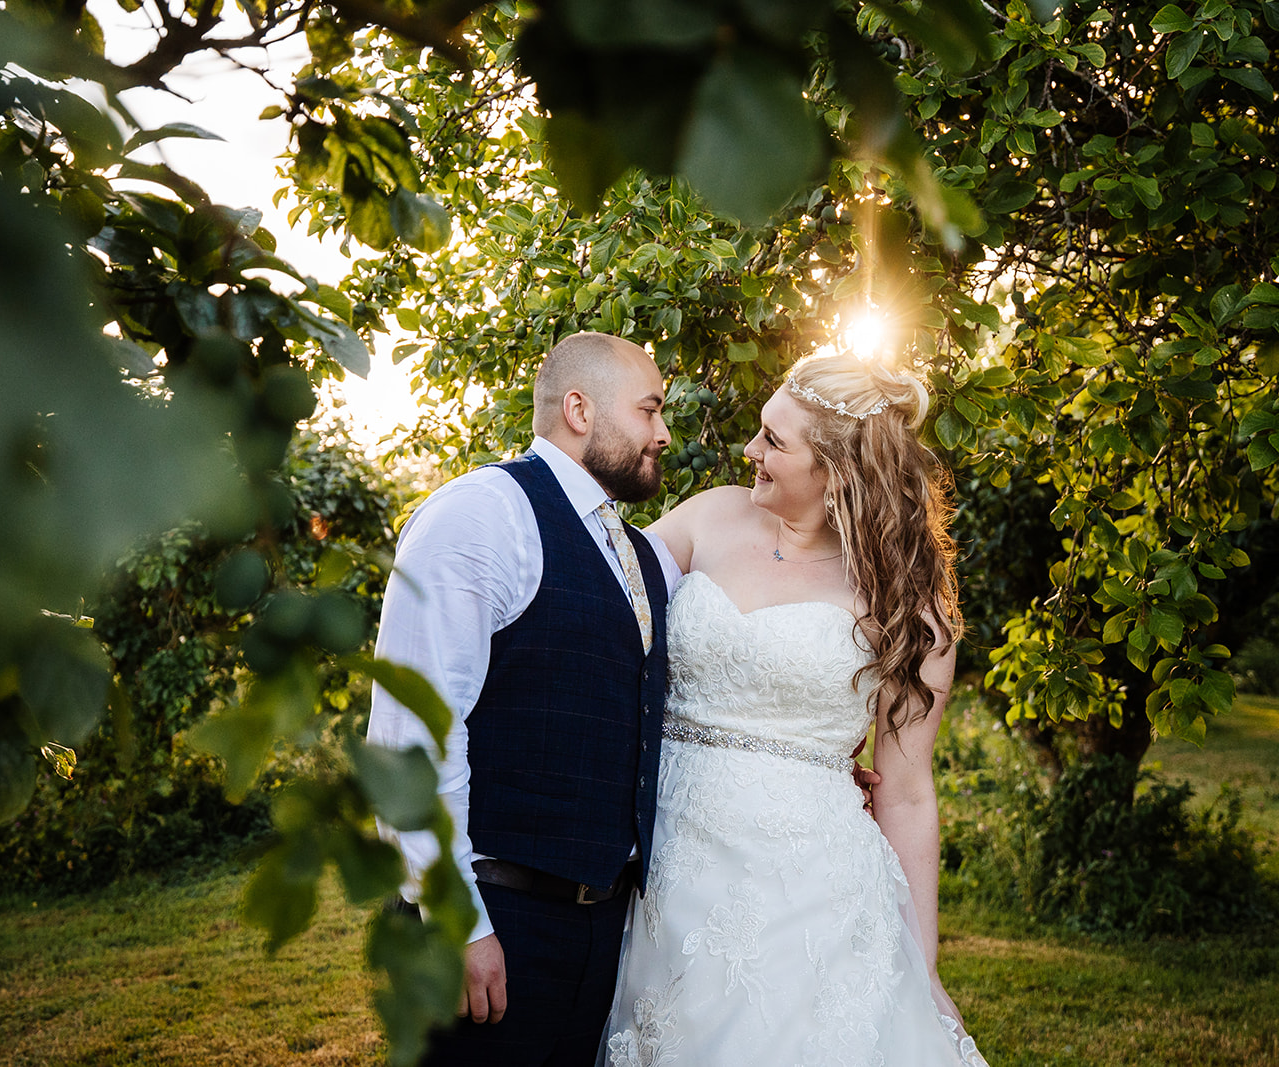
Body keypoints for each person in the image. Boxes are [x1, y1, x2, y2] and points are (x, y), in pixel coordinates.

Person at [602, 349, 989, 1066]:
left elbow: (905, 793)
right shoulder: (710, 517)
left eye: (774, 442)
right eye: (759, 429)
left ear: (838, 476)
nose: (750, 450)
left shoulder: (908, 606)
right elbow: (601, 608)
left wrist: (925, 965)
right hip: (665, 867)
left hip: (810, 890)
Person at [367, 331, 682, 1066]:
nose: (663, 434)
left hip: (600, 932)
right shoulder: (482, 516)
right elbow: (413, 735)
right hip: (495, 915)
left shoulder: (636, 552)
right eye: (650, 410)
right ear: (580, 408)